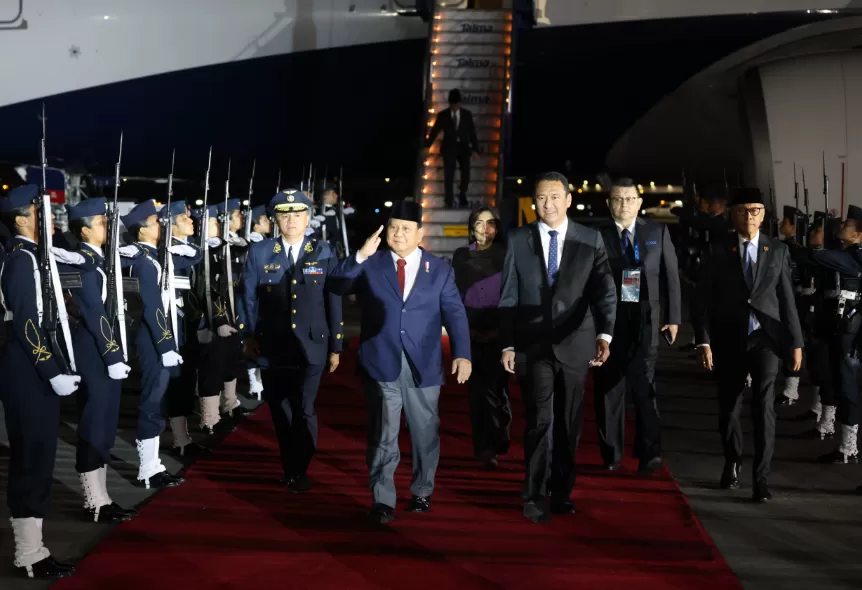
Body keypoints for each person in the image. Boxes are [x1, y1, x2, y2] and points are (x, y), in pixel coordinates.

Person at [329, 200, 471, 523]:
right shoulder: (372, 263)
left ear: (420, 233)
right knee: (383, 432)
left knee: (425, 432)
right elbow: (336, 284)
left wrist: (462, 353)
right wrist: (360, 255)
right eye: (393, 227)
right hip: (381, 361)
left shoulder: (439, 270)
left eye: (406, 228)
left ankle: (422, 490)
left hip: (424, 364)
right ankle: (383, 498)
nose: (398, 233)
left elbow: (456, 314)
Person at [499, 172, 617, 523]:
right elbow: (508, 295)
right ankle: (534, 494)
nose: (547, 204)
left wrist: (605, 335)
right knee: (538, 420)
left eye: (554, 197)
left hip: (577, 343)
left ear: (568, 199)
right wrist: (507, 343)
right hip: (533, 344)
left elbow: (605, 291)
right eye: (540, 198)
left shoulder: (590, 239)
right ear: (533, 202)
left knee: (568, 423)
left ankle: (562, 491)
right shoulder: (519, 238)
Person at [693, 187, 803, 503]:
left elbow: (786, 299)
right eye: (743, 210)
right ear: (733, 214)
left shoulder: (777, 250)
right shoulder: (717, 250)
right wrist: (703, 339)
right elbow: (702, 299)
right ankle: (733, 461)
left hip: (765, 339)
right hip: (728, 339)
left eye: (756, 210)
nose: (750, 216)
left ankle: (761, 479)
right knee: (729, 407)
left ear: (764, 214)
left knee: (764, 405)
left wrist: (795, 342)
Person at [0, 185, 81, 579]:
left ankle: (36, 548)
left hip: (38, 370)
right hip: (27, 371)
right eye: (39, 211)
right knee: (31, 459)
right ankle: (28, 554)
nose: (48, 218)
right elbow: (27, 324)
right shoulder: (21, 261)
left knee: (41, 456)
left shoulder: (38, 257)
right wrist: (53, 371)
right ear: (20, 219)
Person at [242, 189, 343, 493]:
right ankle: (290, 465)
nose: (291, 221)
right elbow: (247, 297)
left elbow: (333, 299)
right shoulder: (260, 253)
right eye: (284, 215)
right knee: (278, 406)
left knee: (304, 407)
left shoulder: (323, 251)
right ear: (275, 220)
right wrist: (247, 335)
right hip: (272, 345)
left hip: (312, 344)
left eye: (297, 215)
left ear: (308, 218)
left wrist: (336, 345)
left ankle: (300, 466)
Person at [593, 178, 681, 475]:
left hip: (646, 321)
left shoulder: (656, 231)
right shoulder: (597, 235)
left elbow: (671, 277)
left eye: (630, 199)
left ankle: (650, 452)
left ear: (640, 203)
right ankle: (611, 454)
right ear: (609, 203)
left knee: (645, 388)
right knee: (608, 391)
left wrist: (673, 318)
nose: (624, 204)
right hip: (608, 322)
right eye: (618, 199)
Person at [61, 198, 138, 523]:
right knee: (95, 422)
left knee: (105, 423)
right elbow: (93, 313)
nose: (108, 228)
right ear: (84, 229)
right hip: (93, 351)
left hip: (104, 349)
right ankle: (93, 500)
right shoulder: (80, 263)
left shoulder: (98, 259)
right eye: (102, 223)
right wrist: (112, 354)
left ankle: (102, 497)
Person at [120, 200, 186, 489]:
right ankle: (147, 468)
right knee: (152, 402)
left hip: (154, 337)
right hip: (152, 339)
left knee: (155, 400)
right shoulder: (144, 264)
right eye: (157, 222)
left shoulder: (148, 258)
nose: (163, 225)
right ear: (142, 230)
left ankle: (153, 464)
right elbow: (152, 308)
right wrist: (166, 346)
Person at [451, 206, 511, 468]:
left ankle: (499, 433)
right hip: (470, 331)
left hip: (501, 331)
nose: (484, 229)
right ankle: (484, 449)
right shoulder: (461, 256)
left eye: (490, 224)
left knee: (498, 391)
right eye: (479, 223)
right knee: (478, 394)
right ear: (471, 227)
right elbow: (455, 295)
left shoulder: (508, 255)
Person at [811, 205, 862, 464]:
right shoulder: (849, 252)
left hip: (851, 331)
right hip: (841, 327)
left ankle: (849, 447)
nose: (842, 226)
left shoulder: (857, 255)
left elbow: (820, 257)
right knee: (838, 381)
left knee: (848, 385)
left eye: (848, 225)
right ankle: (843, 443)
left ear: (859, 235)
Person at [161, 200, 209, 456]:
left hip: (190, 323)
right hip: (172, 325)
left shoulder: (190, 249)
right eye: (184, 219)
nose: (192, 221)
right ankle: (175, 440)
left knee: (186, 380)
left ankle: (183, 438)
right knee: (174, 384)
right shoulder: (166, 251)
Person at [425, 88, 481, 208]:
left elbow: (472, 133)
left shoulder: (466, 115)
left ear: (460, 103)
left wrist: (476, 149)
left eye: (456, 104)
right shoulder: (443, 115)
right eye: (452, 105)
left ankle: (462, 194)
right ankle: (449, 199)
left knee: (466, 173)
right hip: (449, 147)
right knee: (449, 174)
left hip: (463, 147)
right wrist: (427, 145)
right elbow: (434, 132)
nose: (454, 107)